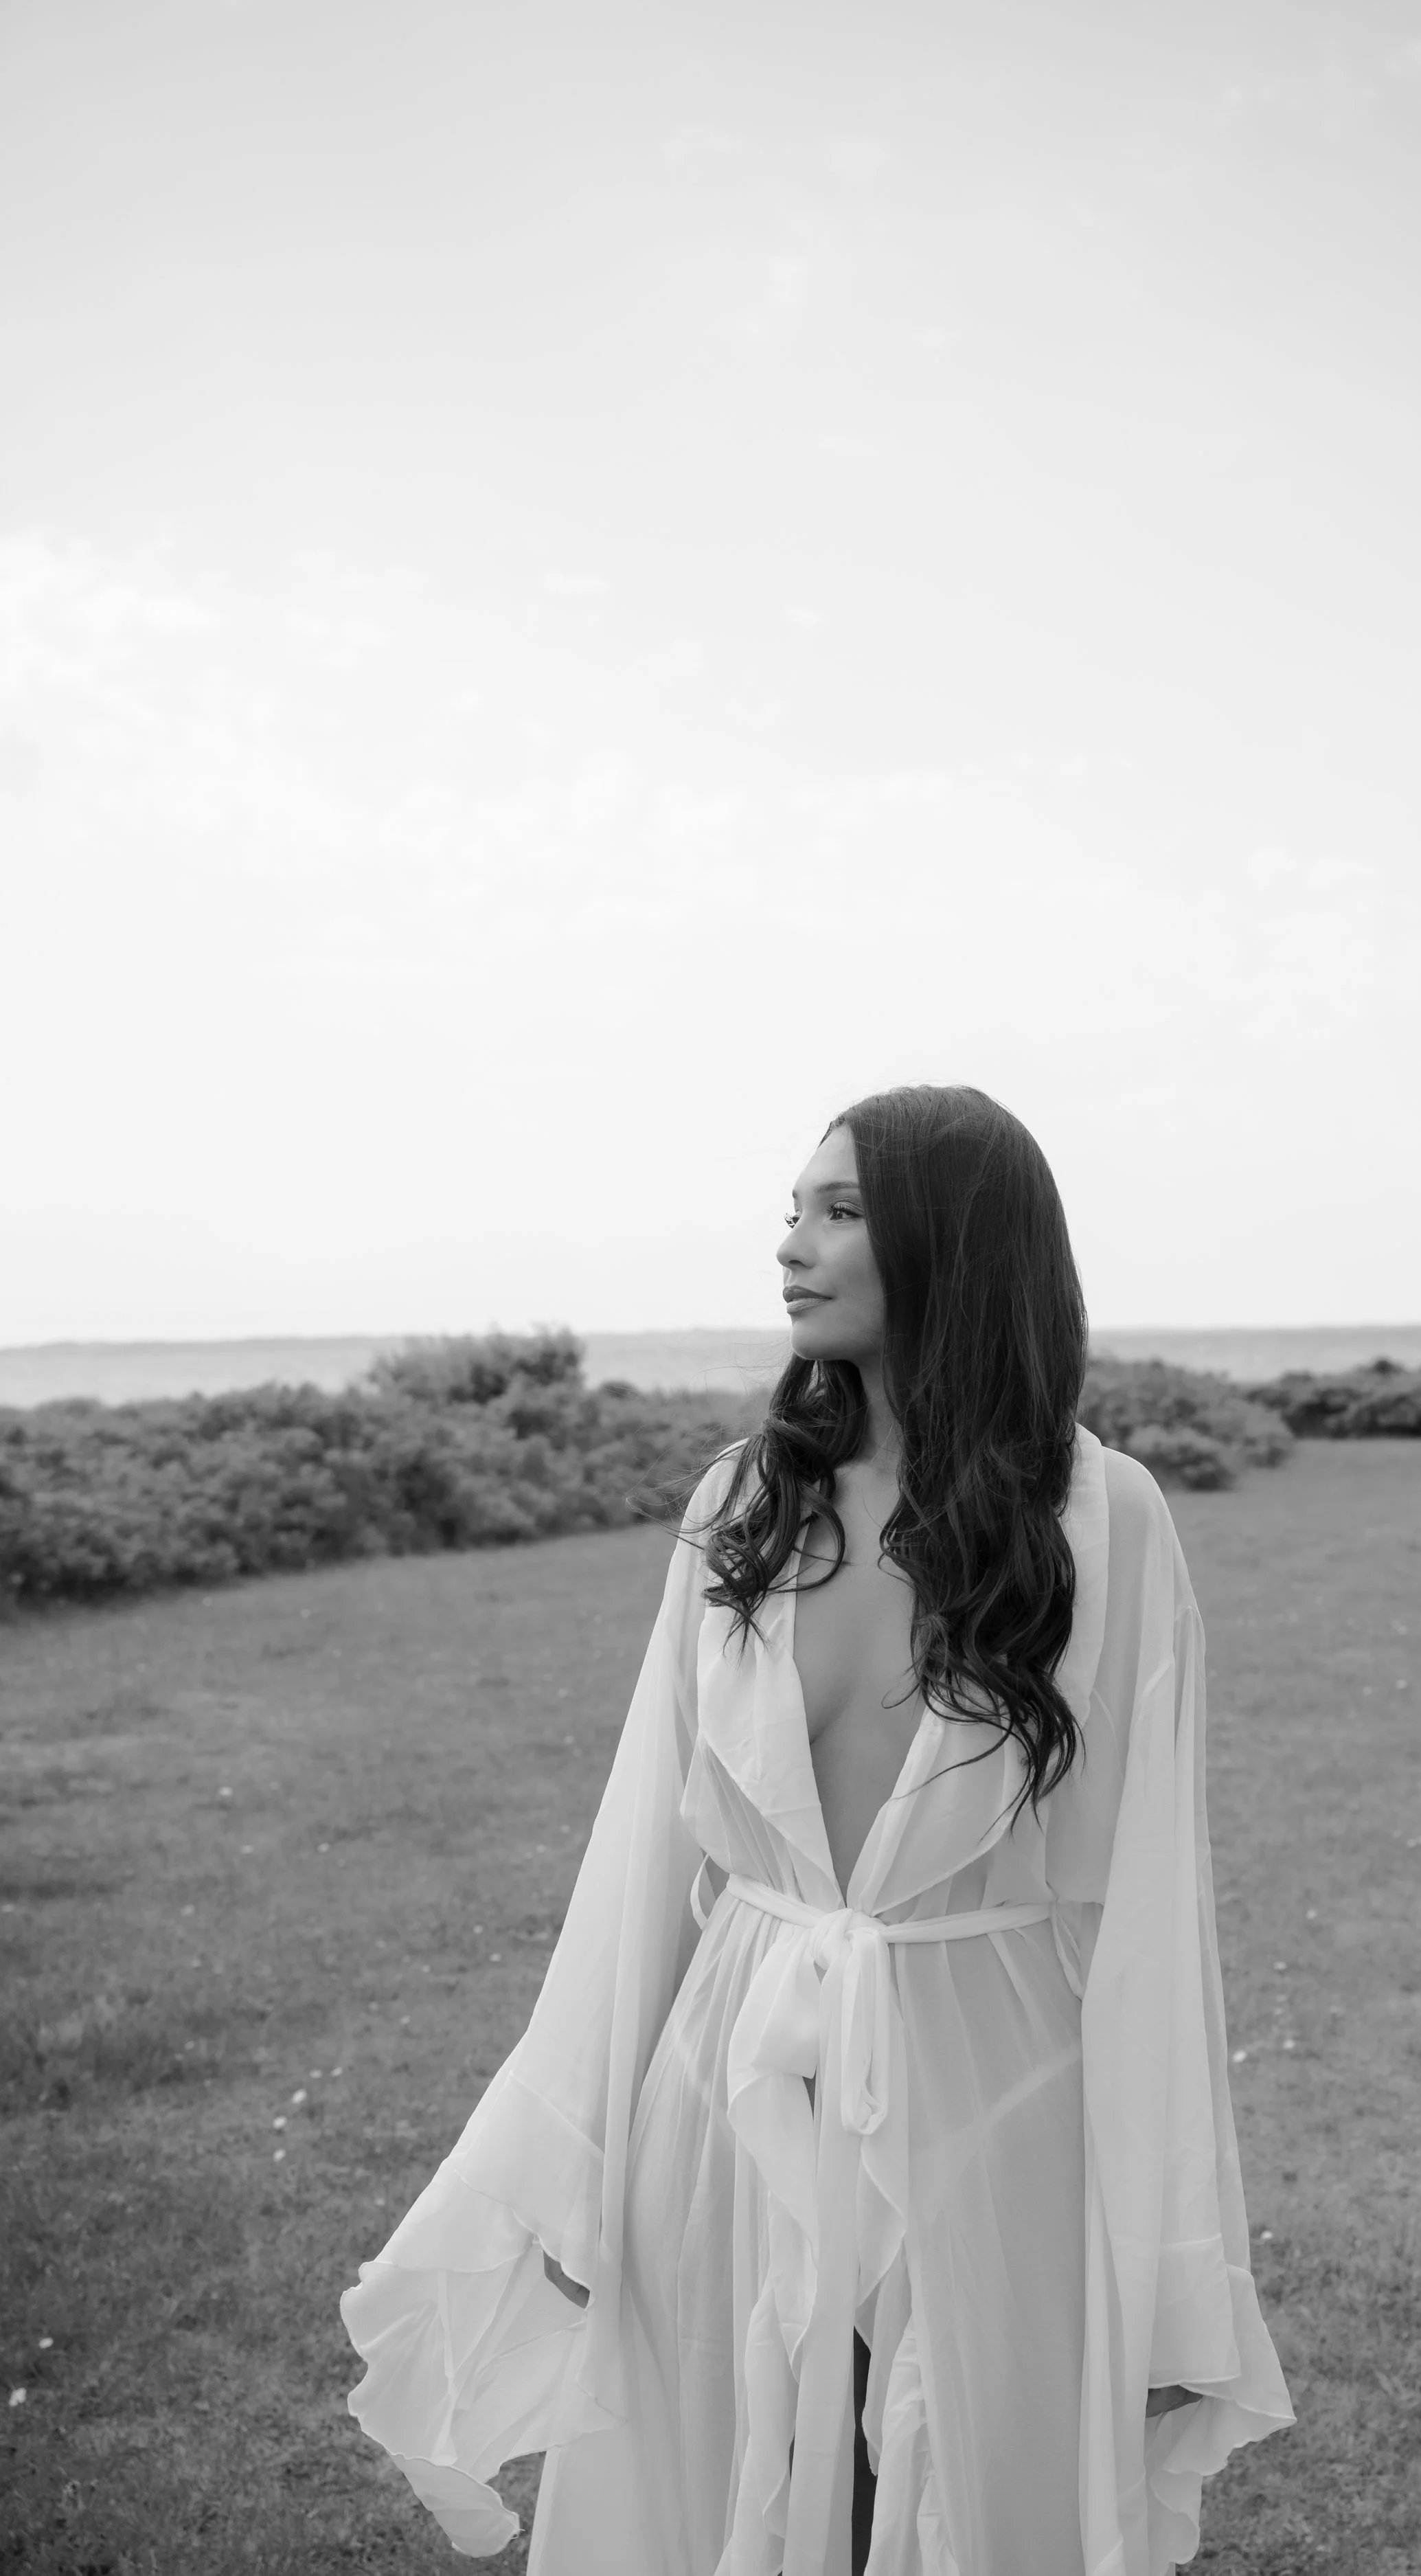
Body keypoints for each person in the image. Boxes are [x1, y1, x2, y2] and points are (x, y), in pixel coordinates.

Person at [341, 1083, 1293, 2575]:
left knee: (958, 2502)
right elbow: (642, 1865)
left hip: (994, 2101)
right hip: (726, 2093)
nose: (793, 1245)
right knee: (722, 2481)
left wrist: (1168, 2279)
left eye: (839, 1211)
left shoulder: (1106, 1517)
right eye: (792, 1209)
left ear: (954, 1244)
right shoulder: (741, 1507)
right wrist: (570, 2182)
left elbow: (1150, 1910)